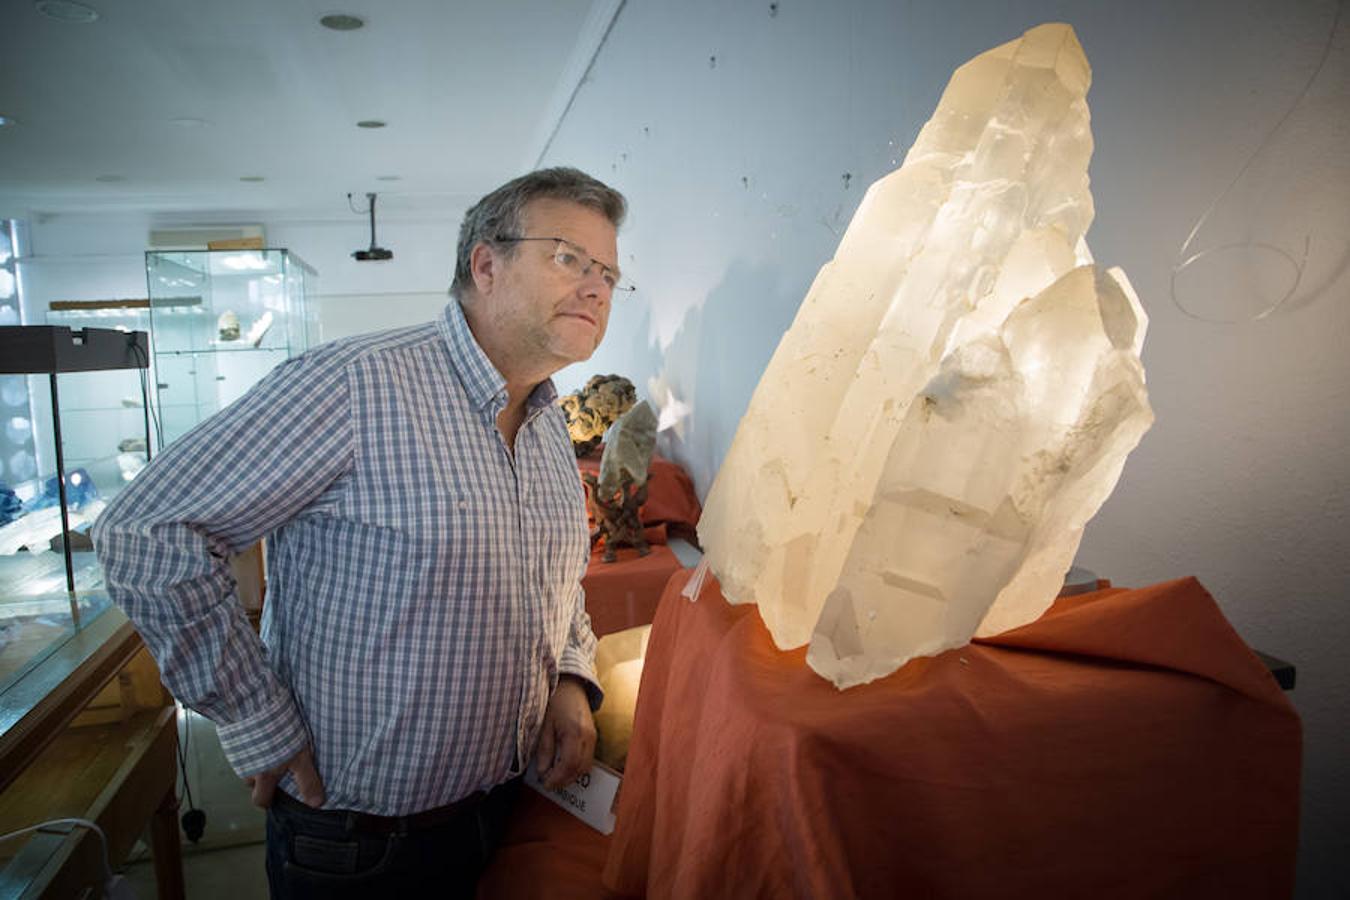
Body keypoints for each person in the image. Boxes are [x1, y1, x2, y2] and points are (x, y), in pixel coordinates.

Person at [93, 167, 629, 898]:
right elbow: (147, 529)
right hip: (360, 844)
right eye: (570, 258)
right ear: (486, 265)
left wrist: (567, 676)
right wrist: (254, 716)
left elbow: (553, 580)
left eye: (609, 273)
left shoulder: (543, 422)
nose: (597, 288)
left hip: (505, 808)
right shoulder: (352, 386)